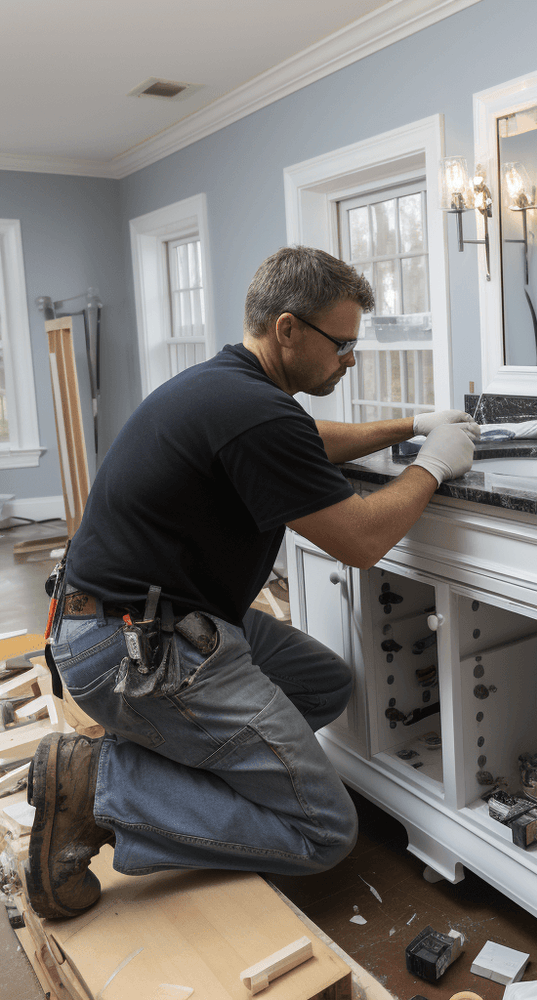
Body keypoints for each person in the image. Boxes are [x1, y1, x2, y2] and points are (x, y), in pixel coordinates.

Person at [26, 245, 479, 919]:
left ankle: (167, 758)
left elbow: (307, 440)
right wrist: (432, 468)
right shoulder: (254, 408)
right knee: (324, 832)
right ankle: (99, 786)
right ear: (288, 329)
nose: (348, 359)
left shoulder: (231, 388)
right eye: (341, 344)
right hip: (136, 650)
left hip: (134, 624)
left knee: (323, 684)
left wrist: (411, 425)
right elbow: (362, 540)